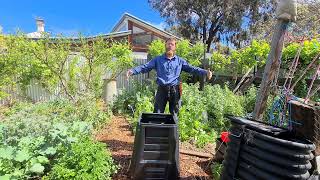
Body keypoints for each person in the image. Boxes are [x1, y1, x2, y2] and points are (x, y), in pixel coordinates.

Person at [127, 38, 212, 115]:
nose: (170, 46)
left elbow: (192, 69)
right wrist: (133, 71)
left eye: (172, 44)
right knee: (157, 113)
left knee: (174, 115)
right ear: (165, 46)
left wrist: (205, 72)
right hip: (162, 90)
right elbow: (145, 67)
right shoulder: (157, 59)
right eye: (168, 44)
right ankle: (157, 131)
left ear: (175, 47)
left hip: (175, 90)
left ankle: (172, 132)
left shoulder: (180, 61)